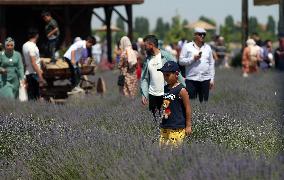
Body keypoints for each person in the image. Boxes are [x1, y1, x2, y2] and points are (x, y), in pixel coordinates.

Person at [140, 34, 185, 121]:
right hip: (152, 94)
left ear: (151, 45)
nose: (144, 48)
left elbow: (177, 73)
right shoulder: (147, 60)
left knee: (168, 118)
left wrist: (183, 88)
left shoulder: (166, 56)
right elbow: (144, 78)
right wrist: (144, 94)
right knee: (156, 120)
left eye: (145, 46)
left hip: (166, 93)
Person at [158, 61, 192, 146]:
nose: (165, 77)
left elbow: (188, 108)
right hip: (165, 125)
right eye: (164, 75)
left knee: (174, 151)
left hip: (177, 127)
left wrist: (188, 125)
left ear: (176, 74)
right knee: (162, 150)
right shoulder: (164, 89)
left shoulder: (181, 90)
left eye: (167, 75)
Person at [179, 28, 215, 103]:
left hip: (205, 79)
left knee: (204, 103)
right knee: (191, 102)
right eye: (200, 34)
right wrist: (192, 59)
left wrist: (212, 79)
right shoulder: (187, 46)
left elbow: (211, 63)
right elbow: (181, 61)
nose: (202, 36)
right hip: (191, 79)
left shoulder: (208, 47)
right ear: (195, 35)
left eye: (204, 34)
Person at [22, 28, 45, 100]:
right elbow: (33, 62)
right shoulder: (32, 46)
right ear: (37, 35)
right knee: (35, 97)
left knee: (31, 96)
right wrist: (40, 75)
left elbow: (27, 60)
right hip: (33, 74)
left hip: (28, 73)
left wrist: (40, 60)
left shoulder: (25, 45)